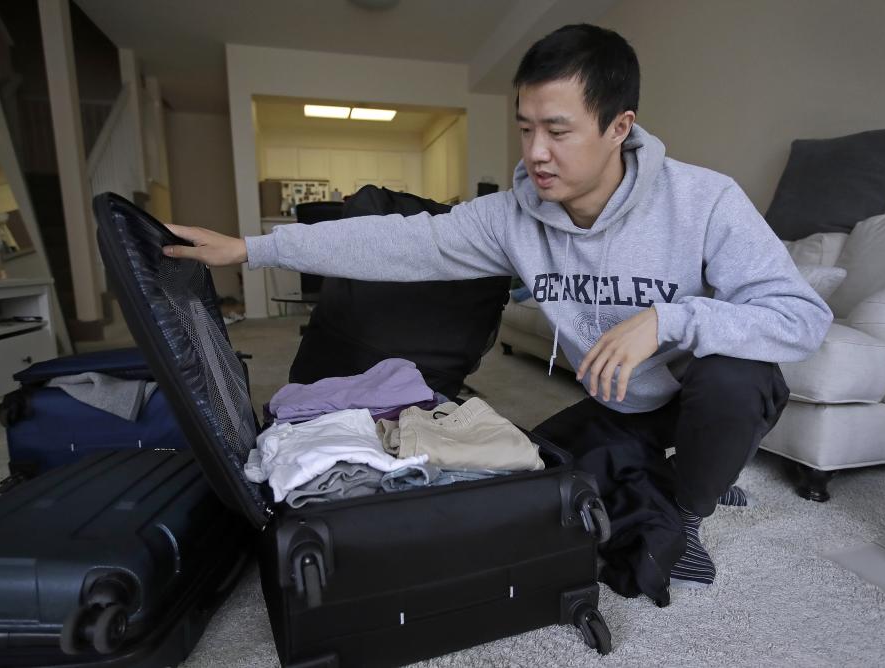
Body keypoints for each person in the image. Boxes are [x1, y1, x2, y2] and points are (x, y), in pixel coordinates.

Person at [162, 24, 831, 601]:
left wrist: (672, 318)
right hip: (619, 400)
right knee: (532, 479)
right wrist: (252, 247)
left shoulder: (705, 201)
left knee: (738, 377)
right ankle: (693, 472)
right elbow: (400, 240)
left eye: (558, 131)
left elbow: (802, 317)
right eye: (526, 128)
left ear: (619, 126)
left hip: (700, 390)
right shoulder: (514, 218)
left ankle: (688, 508)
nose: (536, 152)